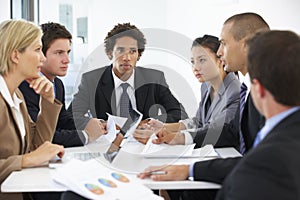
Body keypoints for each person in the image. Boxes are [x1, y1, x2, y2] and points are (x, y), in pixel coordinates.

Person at [138, 12, 270, 200]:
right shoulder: (243, 89)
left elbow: (257, 158)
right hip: (240, 169)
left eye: (224, 43)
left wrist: (190, 167)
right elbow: (227, 130)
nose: (219, 51)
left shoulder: (261, 92)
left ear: (245, 44)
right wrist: (175, 135)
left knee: (180, 188)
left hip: (251, 180)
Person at [68, 23, 188, 133]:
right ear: (110, 53)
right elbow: (71, 117)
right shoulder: (91, 80)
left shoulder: (154, 78)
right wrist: (101, 124)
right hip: (107, 143)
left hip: (144, 142)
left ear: (138, 55)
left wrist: (151, 122)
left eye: (132, 51)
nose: (127, 57)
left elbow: (179, 113)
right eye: (120, 50)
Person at [134, 35, 240, 150]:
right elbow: (198, 122)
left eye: (202, 60)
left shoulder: (235, 92)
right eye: (193, 62)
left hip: (226, 153)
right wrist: (164, 127)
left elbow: (215, 130)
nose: (195, 67)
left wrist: (178, 136)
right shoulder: (206, 86)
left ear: (220, 60)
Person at [0, 19, 64, 200]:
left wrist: (48, 101)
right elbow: (31, 156)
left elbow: (37, 147)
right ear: (15, 55)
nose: (43, 58)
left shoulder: (16, 97)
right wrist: (26, 160)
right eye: (37, 50)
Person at [19, 22, 105, 148]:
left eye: (68, 52)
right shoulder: (24, 87)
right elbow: (43, 136)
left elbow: (63, 120)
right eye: (59, 53)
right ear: (41, 54)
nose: (67, 60)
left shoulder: (57, 84)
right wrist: (86, 135)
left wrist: (90, 124)